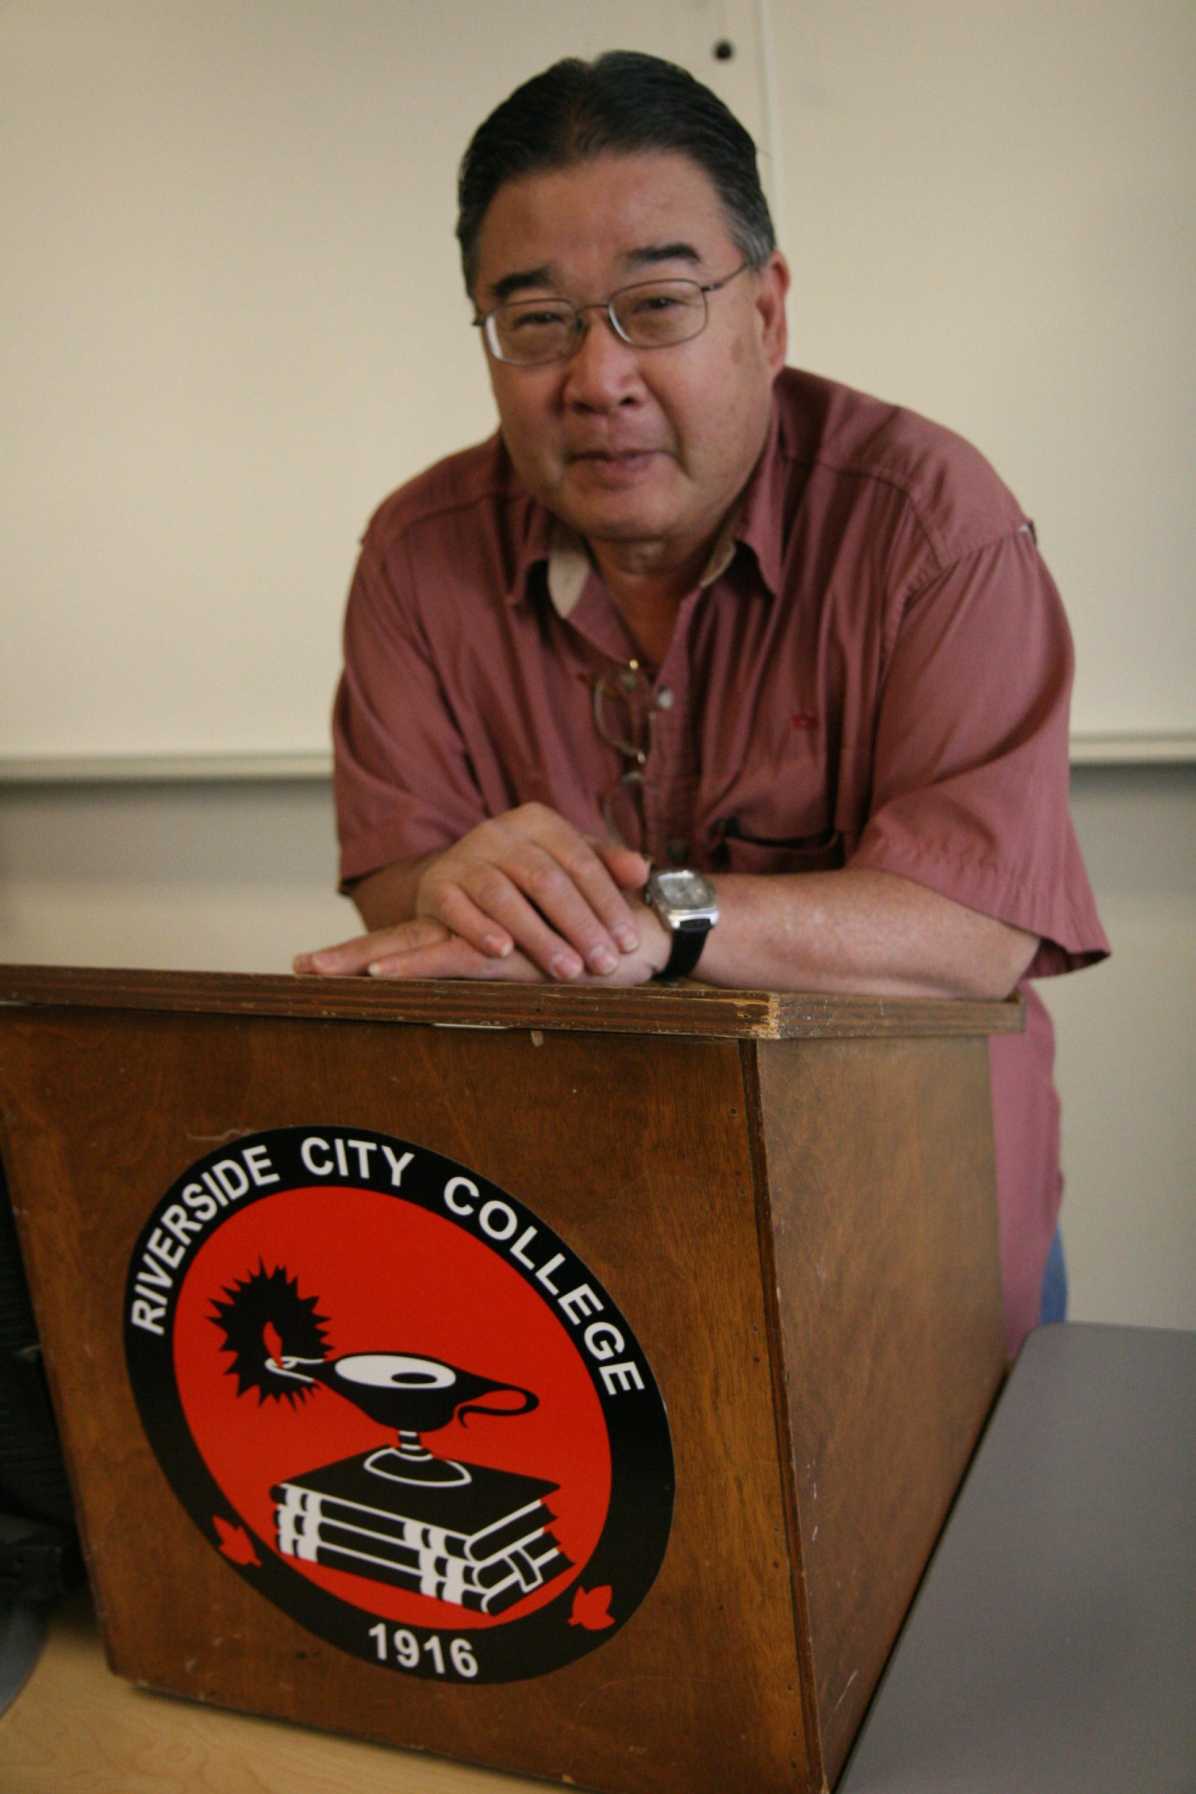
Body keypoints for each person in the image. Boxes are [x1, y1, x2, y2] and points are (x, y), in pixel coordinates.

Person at [295, 51, 1109, 1353]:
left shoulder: (929, 524)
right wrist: (465, 876)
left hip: (915, 1222)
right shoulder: (416, 551)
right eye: (537, 322)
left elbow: (973, 928)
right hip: (585, 1232)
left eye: (656, 306)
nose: (597, 379)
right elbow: (400, 883)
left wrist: (658, 921)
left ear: (767, 312)